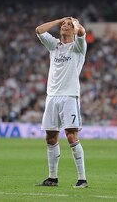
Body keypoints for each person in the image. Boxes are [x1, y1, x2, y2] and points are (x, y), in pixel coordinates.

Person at [35, 17, 88, 188]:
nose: (65, 26)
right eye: (63, 25)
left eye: (68, 25)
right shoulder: (54, 45)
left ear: (73, 29)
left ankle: (82, 179)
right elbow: (39, 30)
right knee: (50, 138)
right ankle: (52, 178)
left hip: (69, 97)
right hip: (52, 96)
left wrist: (75, 23)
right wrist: (59, 20)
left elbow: (81, 33)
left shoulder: (78, 47)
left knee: (71, 136)